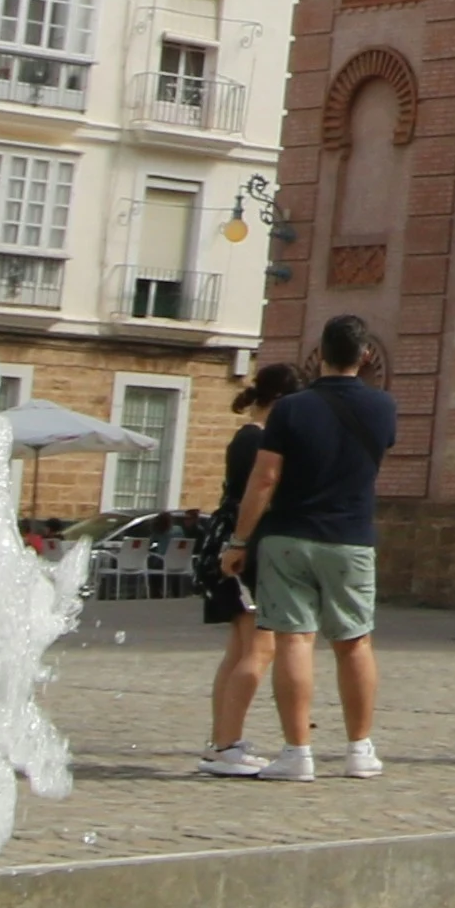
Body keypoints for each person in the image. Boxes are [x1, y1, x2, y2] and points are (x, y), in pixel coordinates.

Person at [216, 319, 396, 779]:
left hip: (289, 535)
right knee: (355, 642)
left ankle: (298, 754)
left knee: (294, 639)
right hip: (351, 536)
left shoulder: (290, 409)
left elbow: (265, 478)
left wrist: (239, 541)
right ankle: (359, 750)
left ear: (320, 353)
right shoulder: (383, 408)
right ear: (366, 356)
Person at [194, 364, 292, 778]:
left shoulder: (245, 437)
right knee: (260, 647)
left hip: (227, 540)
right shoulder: (259, 441)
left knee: (239, 647)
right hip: (245, 546)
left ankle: (223, 740)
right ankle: (226, 743)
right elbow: (262, 492)